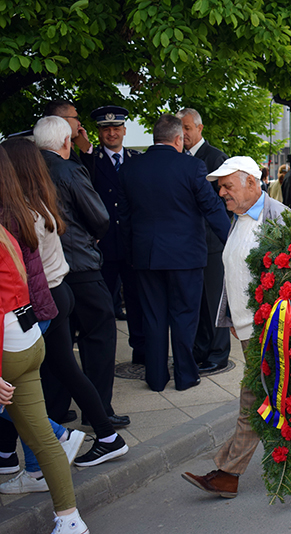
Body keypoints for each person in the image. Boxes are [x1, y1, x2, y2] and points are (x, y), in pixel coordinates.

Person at [180, 156, 291, 498]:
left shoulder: (279, 217)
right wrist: (232, 318)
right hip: (248, 327)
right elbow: (235, 269)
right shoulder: (238, 218)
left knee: (254, 401)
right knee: (281, 394)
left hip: (272, 331)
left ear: (252, 182)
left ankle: (227, 473)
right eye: (220, 187)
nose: (222, 193)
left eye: (228, 186)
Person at [1, 138, 128, 472]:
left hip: (44, 301)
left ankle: (33, 452)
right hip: (57, 293)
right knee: (59, 372)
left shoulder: (21, 212)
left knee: (23, 383)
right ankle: (104, 437)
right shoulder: (38, 202)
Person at [118, 114, 230, 392]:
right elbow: (212, 207)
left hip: (146, 257)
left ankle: (155, 377)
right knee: (184, 316)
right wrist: (232, 239)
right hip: (185, 257)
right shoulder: (192, 166)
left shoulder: (131, 168)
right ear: (179, 139)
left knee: (153, 318)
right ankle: (185, 375)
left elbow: (124, 217)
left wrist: (131, 252)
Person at [35, 116, 129, 429]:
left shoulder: (28, 170)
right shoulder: (68, 168)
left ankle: (56, 409)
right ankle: (98, 410)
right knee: (99, 335)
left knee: (58, 340)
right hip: (79, 264)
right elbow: (99, 215)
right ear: (65, 142)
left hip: (45, 269)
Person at [0, 223, 91, 532]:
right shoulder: (5, 232)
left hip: (9, 349)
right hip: (27, 339)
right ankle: (69, 520)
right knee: (44, 439)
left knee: (42, 438)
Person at [79, 105, 146, 366]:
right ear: (98, 132)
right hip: (103, 244)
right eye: (106, 129)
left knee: (136, 300)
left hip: (131, 243)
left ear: (124, 130)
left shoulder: (136, 160)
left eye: (116, 128)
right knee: (103, 303)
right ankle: (102, 353)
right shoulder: (90, 160)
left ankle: (140, 348)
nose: (111, 133)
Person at [176, 108, 232, 375]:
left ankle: (219, 353)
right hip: (188, 244)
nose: (183, 133)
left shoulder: (215, 157)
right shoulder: (177, 158)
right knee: (196, 302)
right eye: (180, 128)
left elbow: (223, 203)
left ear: (199, 128)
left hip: (211, 243)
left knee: (215, 301)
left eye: (187, 128)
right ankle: (200, 350)